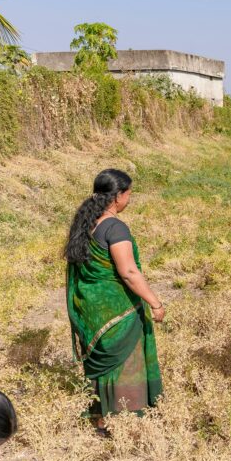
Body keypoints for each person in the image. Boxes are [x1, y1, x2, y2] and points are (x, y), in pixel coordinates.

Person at [65, 169, 164, 434]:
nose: (129, 199)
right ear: (118, 196)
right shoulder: (115, 227)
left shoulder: (86, 223)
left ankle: (99, 419)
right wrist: (155, 302)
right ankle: (125, 420)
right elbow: (129, 272)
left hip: (92, 307)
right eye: (129, 193)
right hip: (117, 307)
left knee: (100, 361)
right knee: (124, 361)